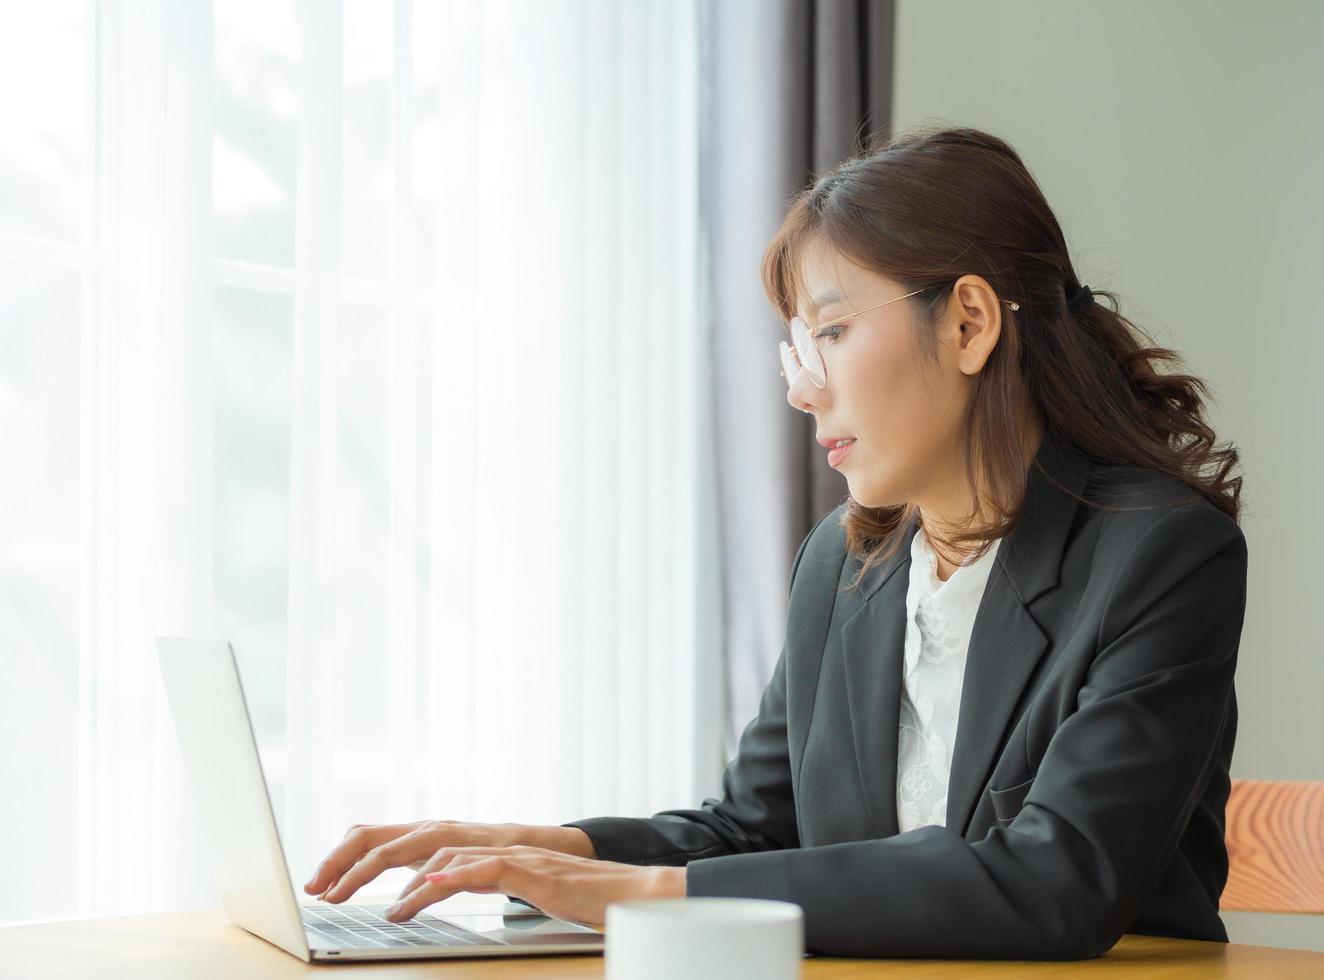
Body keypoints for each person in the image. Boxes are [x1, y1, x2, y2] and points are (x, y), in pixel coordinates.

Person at [301, 126, 1247, 960]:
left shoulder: (1161, 555)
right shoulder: (844, 563)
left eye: (831, 331)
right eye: (798, 345)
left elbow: (1056, 883)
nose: (803, 388)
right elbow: (753, 832)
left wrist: (634, 898)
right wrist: (533, 851)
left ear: (968, 321)